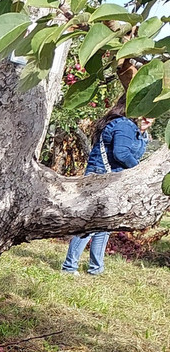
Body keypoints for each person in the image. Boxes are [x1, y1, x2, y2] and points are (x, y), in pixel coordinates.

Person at [61, 96, 152, 276]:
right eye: (146, 111)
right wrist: (141, 171)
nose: (149, 117)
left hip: (111, 179)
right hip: (102, 179)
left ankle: (96, 269)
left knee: (105, 225)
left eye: (152, 114)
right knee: (91, 224)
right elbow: (121, 153)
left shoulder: (138, 132)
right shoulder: (124, 125)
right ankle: (70, 267)